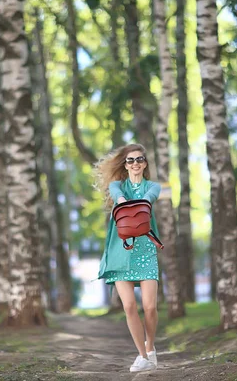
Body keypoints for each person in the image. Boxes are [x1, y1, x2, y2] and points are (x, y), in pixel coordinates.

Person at [95, 143, 161, 373]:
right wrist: (122, 200)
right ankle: (142, 356)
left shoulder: (153, 187)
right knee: (130, 306)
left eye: (139, 159)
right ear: (125, 164)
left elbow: (147, 200)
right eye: (130, 160)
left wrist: (134, 203)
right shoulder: (116, 187)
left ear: (145, 163)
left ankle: (150, 349)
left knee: (150, 307)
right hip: (120, 252)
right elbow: (118, 196)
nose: (135, 164)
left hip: (145, 251)